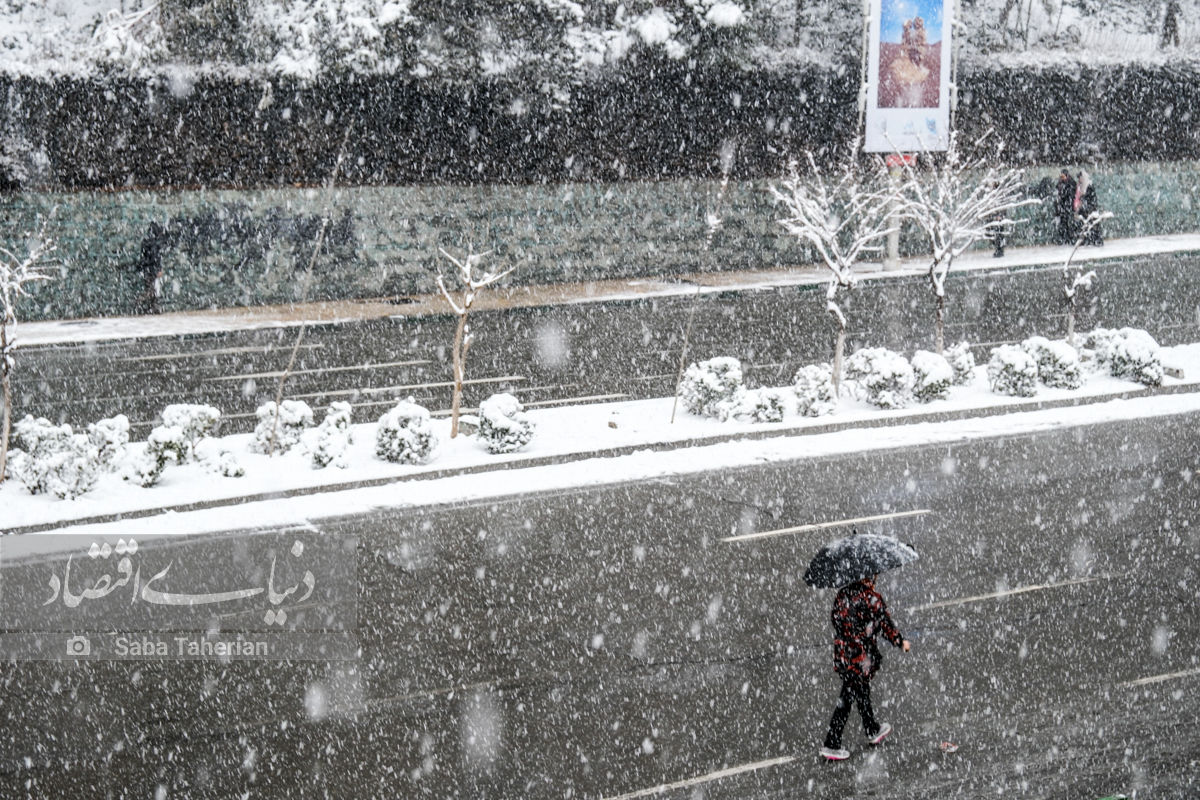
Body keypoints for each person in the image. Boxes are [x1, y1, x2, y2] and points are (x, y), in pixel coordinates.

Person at [820, 574, 911, 761]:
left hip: (844, 654)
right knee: (847, 697)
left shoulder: (842, 595)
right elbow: (885, 625)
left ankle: (872, 729)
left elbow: (835, 621)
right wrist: (900, 641)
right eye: (874, 576)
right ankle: (832, 743)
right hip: (860, 657)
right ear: (869, 578)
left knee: (860, 691)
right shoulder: (871, 599)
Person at [1076, 170, 1103, 246]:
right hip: (1086, 210)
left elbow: (1090, 199)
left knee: (1092, 226)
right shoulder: (1082, 186)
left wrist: (1084, 201)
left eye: (1080, 177)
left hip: (1090, 210)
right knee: (1087, 226)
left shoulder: (1089, 186)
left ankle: (1095, 241)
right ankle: (1089, 240)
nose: (1079, 179)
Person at [1056, 168, 1078, 245]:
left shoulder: (1071, 183)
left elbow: (1070, 194)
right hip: (1062, 207)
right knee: (1063, 224)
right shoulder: (1060, 183)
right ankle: (1064, 239)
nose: (1062, 178)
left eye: (1063, 176)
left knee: (1070, 224)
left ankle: (1070, 239)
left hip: (1069, 206)